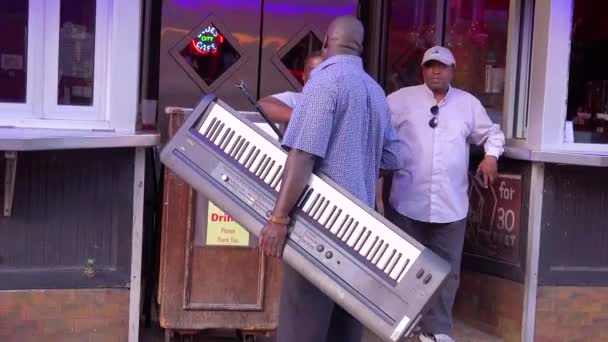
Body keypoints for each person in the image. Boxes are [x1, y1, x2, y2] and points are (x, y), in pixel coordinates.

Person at [258, 16, 401, 342]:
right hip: (360, 228)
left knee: (303, 323)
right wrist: (358, 170)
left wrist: (279, 218)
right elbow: (392, 157)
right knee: (344, 325)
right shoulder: (376, 91)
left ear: (325, 41)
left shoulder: (323, 82)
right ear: (360, 47)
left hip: (319, 223)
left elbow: (303, 155)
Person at [378, 46, 506, 342]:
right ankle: (403, 326)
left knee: (447, 271)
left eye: (442, 66)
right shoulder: (401, 100)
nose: (436, 71)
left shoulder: (468, 104)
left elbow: (492, 133)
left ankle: (438, 330)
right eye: (430, 66)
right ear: (423, 70)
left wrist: (491, 157)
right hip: (407, 200)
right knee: (406, 267)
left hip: (452, 203)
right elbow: (376, 129)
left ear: (452, 70)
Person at [258, 51, 324, 125]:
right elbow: (263, 105)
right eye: (313, 71)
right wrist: (304, 117)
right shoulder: (295, 99)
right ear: (304, 76)